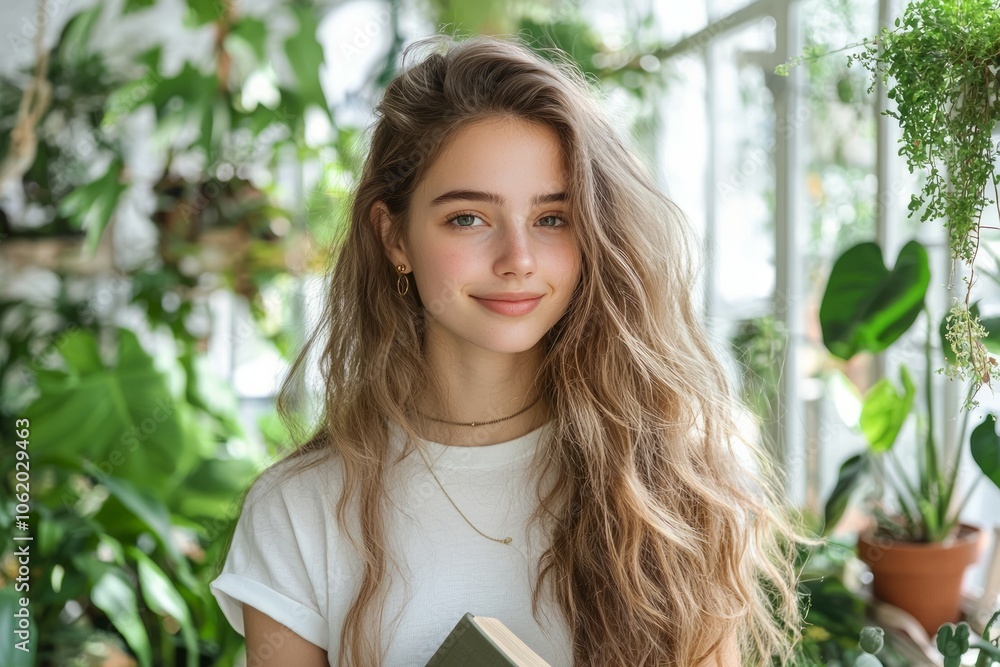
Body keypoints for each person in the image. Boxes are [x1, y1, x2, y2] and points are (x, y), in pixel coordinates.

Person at [209, 33, 804, 667]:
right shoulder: (299, 511)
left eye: (553, 218)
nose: (518, 260)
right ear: (394, 237)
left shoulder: (671, 486)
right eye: (468, 217)